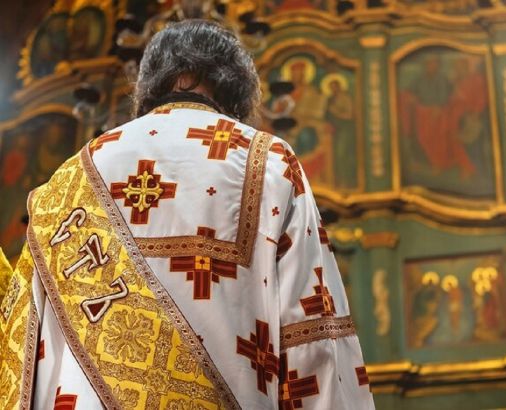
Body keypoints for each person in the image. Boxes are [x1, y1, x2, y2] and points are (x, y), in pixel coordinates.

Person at [0, 19, 374, 409]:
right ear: (239, 91)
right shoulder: (269, 162)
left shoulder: (68, 179)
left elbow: (24, 353)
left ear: (147, 86)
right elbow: (312, 335)